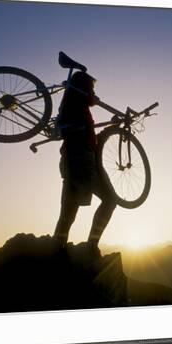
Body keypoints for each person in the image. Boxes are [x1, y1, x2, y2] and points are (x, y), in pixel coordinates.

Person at [53, 71, 117, 253]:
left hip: (74, 159)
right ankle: (90, 246)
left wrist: (110, 129)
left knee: (69, 210)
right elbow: (74, 132)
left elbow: (87, 137)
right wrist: (92, 98)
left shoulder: (76, 106)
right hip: (80, 160)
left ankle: (58, 248)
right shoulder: (75, 102)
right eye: (91, 88)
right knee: (110, 200)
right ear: (83, 87)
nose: (93, 92)